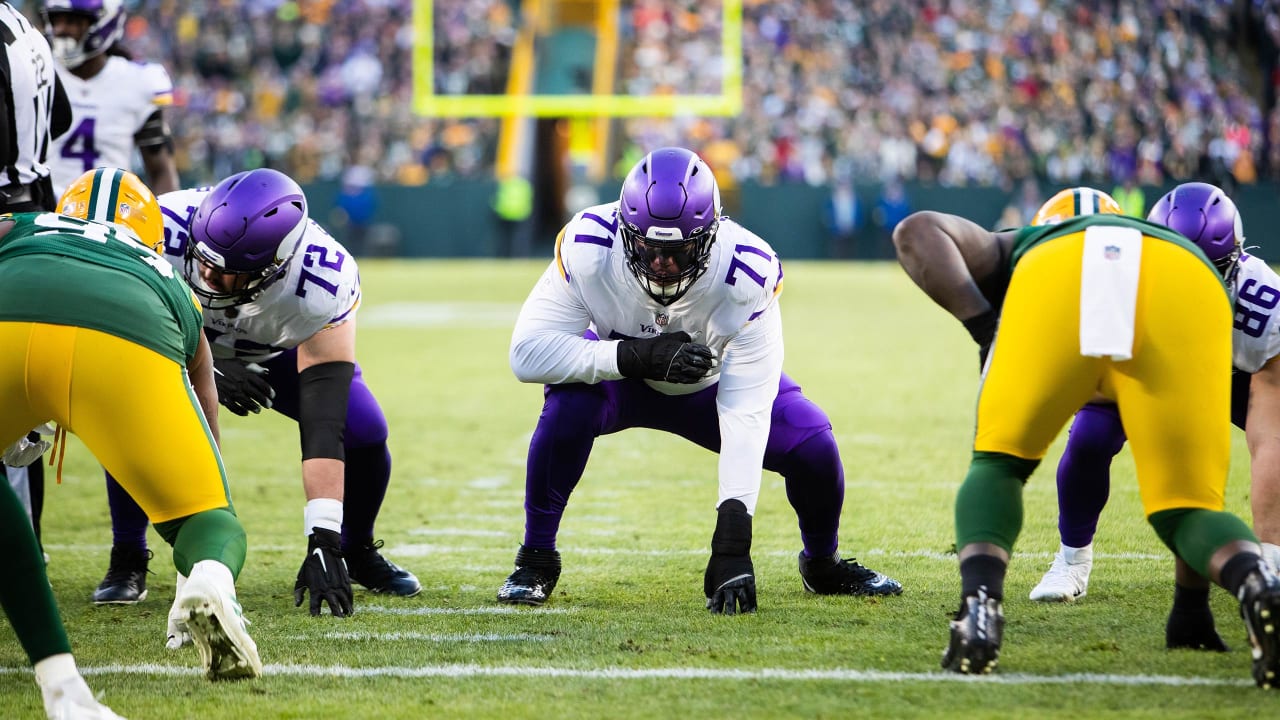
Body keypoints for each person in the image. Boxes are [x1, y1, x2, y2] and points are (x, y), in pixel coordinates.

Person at [892, 186, 1280, 686]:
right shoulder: (1218, 269)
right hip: (1189, 286)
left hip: (1059, 279)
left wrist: (985, 328)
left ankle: (981, 607)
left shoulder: (1030, 244)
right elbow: (1266, 435)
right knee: (1189, 505)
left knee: (1000, 463)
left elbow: (915, 231)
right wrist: (1190, 609)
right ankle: (1253, 579)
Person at [500, 146, 902, 614]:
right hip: (619, 378)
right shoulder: (589, 244)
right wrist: (634, 356)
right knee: (568, 406)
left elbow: (746, 410)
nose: (661, 264)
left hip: (709, 387)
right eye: (648, 247)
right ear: (626, 232)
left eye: (678, 250)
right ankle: (536, 558)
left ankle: (822, 563)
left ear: (711, 236)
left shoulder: (746, 272)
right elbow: (527, 355)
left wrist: (733, 535)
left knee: (814, 445)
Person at [102, 167, 420, 621]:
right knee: (132, 415)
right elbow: (124, 327)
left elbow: (324, 418)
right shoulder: (163, 222)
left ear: (276, 268)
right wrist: (203, 360)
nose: (206, 274)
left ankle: (354, 550)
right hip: (174, 338)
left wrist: (322, 537)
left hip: (279, 351)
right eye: (203, 258)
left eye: (225, 271)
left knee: (366, 431)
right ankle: (128, 554)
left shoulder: (323, 277)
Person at [0, 166, 261, 683]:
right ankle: (209, 581)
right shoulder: (172, 282)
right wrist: (206, 512)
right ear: (154, 239)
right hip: (129, 331)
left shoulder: (23, 224)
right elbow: (205, 409)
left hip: (12, 305)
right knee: (209, 520)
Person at [1028, 182, 1280, 640]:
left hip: (1229, 374)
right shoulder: (1125, 283)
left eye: (1209, 267)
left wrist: (1271, 558)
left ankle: (1261, 573)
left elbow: (1270, 439)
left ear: (1236, 257)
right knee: (1089, 437)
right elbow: (1098, 382)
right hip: (1151, 365)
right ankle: (1071, 561)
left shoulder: (1261, 304)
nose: (1195, 280)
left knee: (1210, 471)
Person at [1, 0, 71, 557]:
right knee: (18, 407)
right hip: (35, 210)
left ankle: (20, 552)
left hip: (4, 216)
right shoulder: (26, 28)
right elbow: (62, 118)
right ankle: (32, 546)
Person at [43, 0, 179, 198]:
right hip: (44, 210)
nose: (61, 30)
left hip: (107, 214)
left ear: (104, 22)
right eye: (56, 21)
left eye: (72, 21)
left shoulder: (139, 82)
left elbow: (160, 170)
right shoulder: (39, 69)